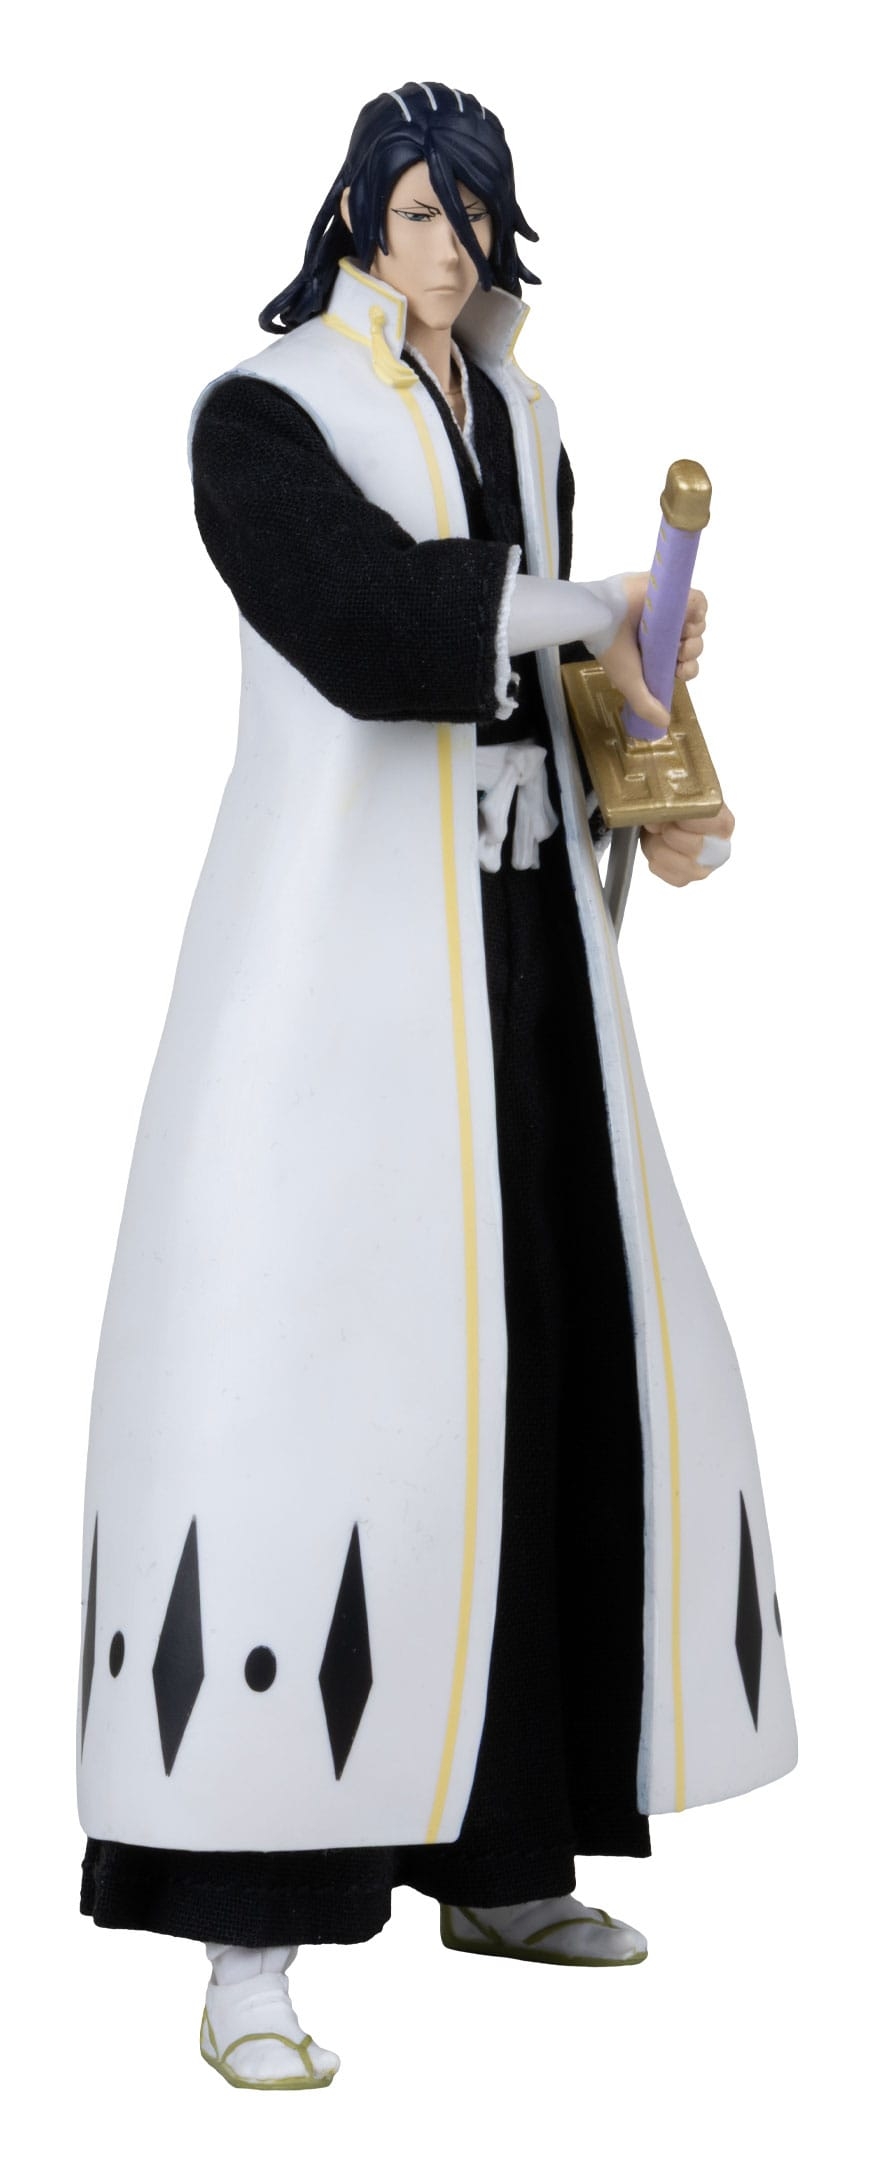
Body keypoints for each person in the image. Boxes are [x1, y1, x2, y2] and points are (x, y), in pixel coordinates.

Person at [78, 82, 796, 2091]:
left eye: (471, 216)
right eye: (415, 213)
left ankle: (504, 1855)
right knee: (297, 1411)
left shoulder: (528, 421)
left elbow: (566, 684)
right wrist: (579, 609)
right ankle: (247, 1945)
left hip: (523, 976)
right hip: (333, 997)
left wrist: (654, 746)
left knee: (545, 1365)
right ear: (352, 220)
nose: (447, 248)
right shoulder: (266, 416)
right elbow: (361, 626)